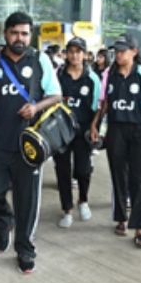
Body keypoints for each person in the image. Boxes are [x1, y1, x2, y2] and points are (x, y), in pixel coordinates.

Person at [0, 12, 62, 275]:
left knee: (27, 200)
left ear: (30, 35)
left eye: (24, 33)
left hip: (30, 145)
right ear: (5, 34)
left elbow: (56, 95)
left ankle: (25, 249)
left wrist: (36, 107)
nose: (19, 38)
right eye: (14, 33)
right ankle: (3, 222)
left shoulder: (40, 60)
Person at [91, 34, 141, 249]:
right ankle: (121, 218)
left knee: (139, 178)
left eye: (123, 51)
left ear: (134, 51)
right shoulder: (109, 74)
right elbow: (104, 103)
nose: (118, 55)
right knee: (118, 175)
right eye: (116, 51)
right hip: (116, 130)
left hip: (139, 131)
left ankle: (139, 227)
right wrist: (95, 125)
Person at [55, 38, 102, 228]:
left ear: (85, 54)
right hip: (61, 130)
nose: (74, 55)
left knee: (83, 169)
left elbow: (98, 106)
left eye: (78, 51)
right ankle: (67, 209)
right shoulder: (58, 75)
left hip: (83, 130)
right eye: (71, 51)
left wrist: (94, 127)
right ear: (66, 54)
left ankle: (83, 200)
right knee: (63, 170)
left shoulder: (92, 78)